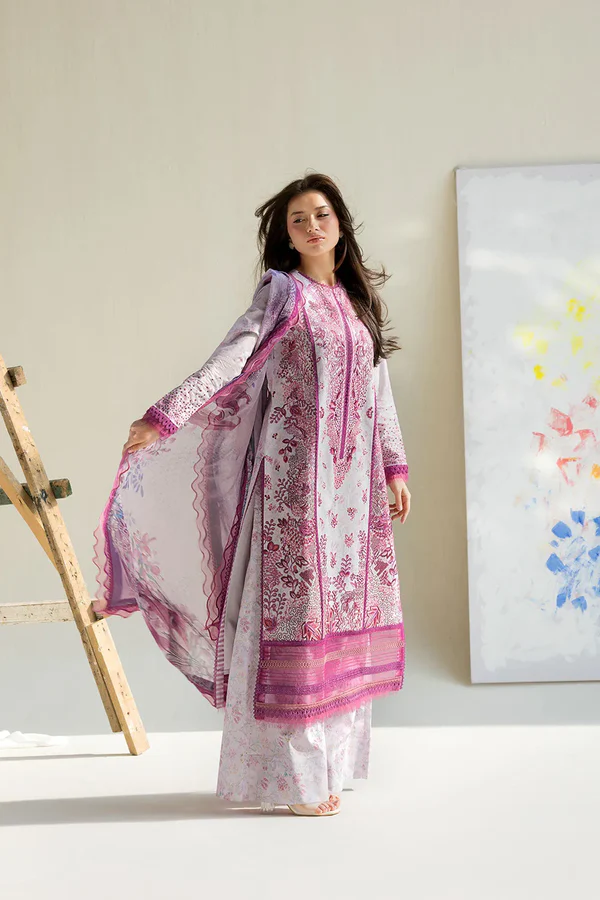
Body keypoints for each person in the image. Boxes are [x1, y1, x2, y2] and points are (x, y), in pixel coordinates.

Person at [92, 172, 411, 817]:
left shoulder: (356, 304)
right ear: (286, 235)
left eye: (321, 215)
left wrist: (394, 467)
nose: (312, 226)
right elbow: (231, 357)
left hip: (351, 498)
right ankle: (295, 781)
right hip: (294, 487)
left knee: (341, 618)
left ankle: (331, 768)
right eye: (299, 219)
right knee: (296, 621)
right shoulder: (283, 294)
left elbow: (378, 392)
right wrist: (166, 415)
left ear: (340, 224)